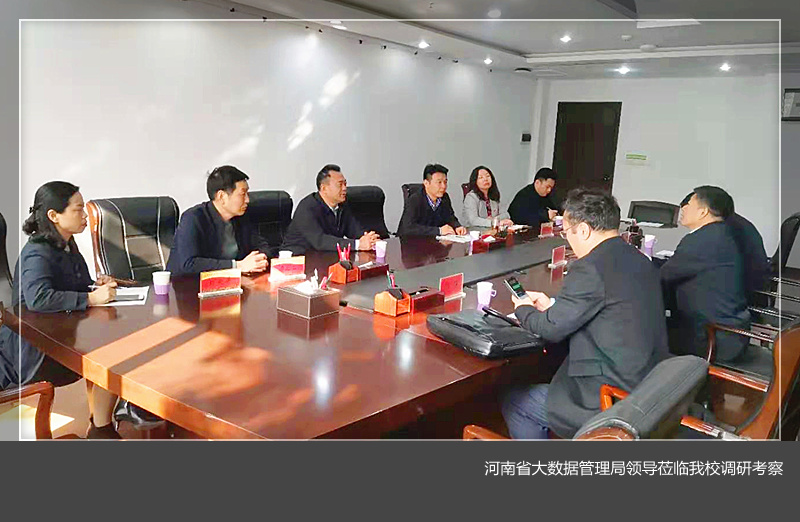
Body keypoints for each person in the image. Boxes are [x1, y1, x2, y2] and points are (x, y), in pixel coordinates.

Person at [501, 188, 669, 439]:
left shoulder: (589, 267)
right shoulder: (638, 257)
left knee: (516, 402)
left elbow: (549, 329)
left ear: (583, 230)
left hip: (610, 394)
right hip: (647, 379)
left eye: (566, 231)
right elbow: (607, 306)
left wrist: (523, 308)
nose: (567, 239)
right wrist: (553, 306)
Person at [0, 181, 123, 438]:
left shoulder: (66, 244)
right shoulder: (37, 252)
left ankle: (101, 426)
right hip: (36, 351)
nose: (85, 215)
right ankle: (102, 428)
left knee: (112, 343)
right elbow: (39, 298)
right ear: (54, 215)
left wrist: (95, 285)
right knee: (109, 353)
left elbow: (77, 284)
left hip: (59, 336)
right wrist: (90, 299)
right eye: (78, 209)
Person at [662, 186, 750, 362]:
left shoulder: (702, 240)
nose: (683, 207)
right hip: (728, 333)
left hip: (712, 338)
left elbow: (663, 276)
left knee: (644, 329)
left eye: (688, 203)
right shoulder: (720, 233)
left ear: (703, 212)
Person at [167, 165, 270, 275]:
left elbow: (262, 246)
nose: (247, 200)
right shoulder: (193, 218)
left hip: (229, 281)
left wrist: (259, 260)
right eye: (242, 194)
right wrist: (238, 266)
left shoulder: (241, 216)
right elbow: (189, 264)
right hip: (186, 283)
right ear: (221, 196)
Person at [280, 164, 379, 254]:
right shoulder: (307, 207)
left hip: (324, 256)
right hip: (298, 258)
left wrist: (370, 239)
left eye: (345, 184)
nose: (344, 188)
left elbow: (354, 229)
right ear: (324, 188)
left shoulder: (342, 205)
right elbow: (320, 241)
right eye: (340, 184)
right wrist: (358, 244)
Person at [397, 163, 468, 237]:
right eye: (439, 182)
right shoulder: (414, 199)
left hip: (434, 241)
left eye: (445, 182)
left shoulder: (444, 197)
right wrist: (438, 231)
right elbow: (408, 228)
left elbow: (450, 217)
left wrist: (457, 226)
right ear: (426, 183)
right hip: (411, 242)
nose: (443, 186)